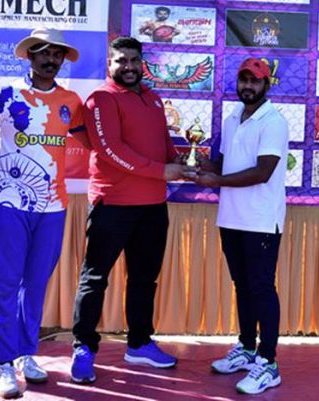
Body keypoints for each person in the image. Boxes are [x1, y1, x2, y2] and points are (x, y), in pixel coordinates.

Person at [0, 28, 90, 399]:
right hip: (9, 205)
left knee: (36, 284)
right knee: (5, 283)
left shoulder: (71, 101)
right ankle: (3, 362)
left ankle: (26, 353)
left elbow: (93, 142)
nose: (51, 60)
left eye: (57, 54)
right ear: (29, 56)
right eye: (44, 53)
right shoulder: (6, 95)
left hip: (53, 207)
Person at [70, 36, 188, 384]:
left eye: (134, 60)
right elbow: (109, 151)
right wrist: (161, 171)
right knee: (95, 278)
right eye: (121, 61)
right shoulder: (101, 99)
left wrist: (179, 161)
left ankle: (139, 344)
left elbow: (163, 141)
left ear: (142, 63)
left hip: (153, 206)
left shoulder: (153, 98)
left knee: (144, 279)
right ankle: (83, 347)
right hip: (113, 205)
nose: (129, 67)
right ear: (109, 64)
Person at [186, 57, 289, 395]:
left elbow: (262, 172)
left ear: (266, 85)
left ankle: (268, 363)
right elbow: (226, 164)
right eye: (244, 80)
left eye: (255, 81)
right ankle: (246, 348)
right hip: (231, 218)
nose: (248, 86)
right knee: (242, 286)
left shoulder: (273, 122)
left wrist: (216, 181)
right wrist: (205, 165)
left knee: (261, 288)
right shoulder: (232, 117)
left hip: (260, 220)